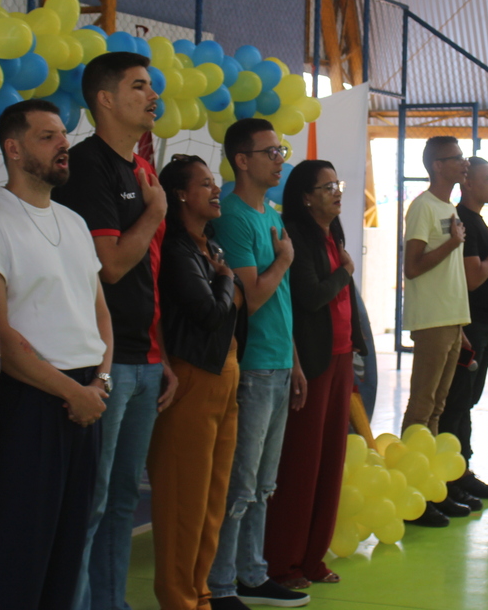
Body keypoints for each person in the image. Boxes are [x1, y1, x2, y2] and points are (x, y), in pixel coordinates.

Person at [0, 100, 114, 610]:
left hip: (87, 395)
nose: (63, 144)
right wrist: (73, 392)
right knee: (17, 549)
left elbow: (100, 313)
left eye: (63, 135)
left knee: (68, 550)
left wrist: (99, 384)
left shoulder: (73, 221)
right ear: (13, 148)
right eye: (47, 137)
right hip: (28, 399)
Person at [51, 52, 176, 610]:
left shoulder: (140, 170)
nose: (153, 96)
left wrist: (160, 352)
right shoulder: (88, 166)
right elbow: (112, 266)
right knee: (92, 501)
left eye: (152, 87)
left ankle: (110, 602)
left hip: (143, 358)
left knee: (123, 500)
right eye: (139, 86)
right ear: (105, 99)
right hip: (104, 361)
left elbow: (149, 274)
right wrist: (155, 212)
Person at [207, 118, 307, 610]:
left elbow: (281, 299)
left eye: (281, 150)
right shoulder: (232, 216)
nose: (279, 159)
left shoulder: (271, 212)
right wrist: (284, 259)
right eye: (270, 151)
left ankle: (252, 572)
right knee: (239, 484)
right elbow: (249, 297)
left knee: (264, 484)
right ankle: (221, 582)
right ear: (242, 160)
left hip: (278, 362)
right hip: (251, 366)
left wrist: (295, 363)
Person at [150, 155, 246, 610]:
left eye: (214, 182)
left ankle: (200, 593)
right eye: (205, 183)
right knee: (182, 500)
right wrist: (226, 282)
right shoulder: (176, 248)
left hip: (226, 374)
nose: (215, 190)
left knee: (212, 499)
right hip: (193, 377)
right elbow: (209, 312)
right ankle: (178, 598)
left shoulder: (211, 245)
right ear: (181, 195)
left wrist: (224, 281)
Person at [265, 160, 367, 589]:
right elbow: (309, 297)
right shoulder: (295, 234)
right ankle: (283, 562)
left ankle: (313, 558)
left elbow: (344, 301)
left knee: (330, 460)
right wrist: (345, 271)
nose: (336, 192)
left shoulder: (333, 234)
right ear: (305, 197)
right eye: (327, 187)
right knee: (302, 463)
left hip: (340, 359)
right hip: (313, 362)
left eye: (336, 184)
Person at [400, 136, 473, 525]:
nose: (464, 163)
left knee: (438, 408)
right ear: (437, 166)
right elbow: (412, 267)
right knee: (422, 406)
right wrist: (451, 244)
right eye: (456, 158)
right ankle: (410, 491)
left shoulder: (449, 207)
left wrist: (461, 323)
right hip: (431, 319)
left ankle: (428, 490)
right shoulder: (423, 207)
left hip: (451, 318)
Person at [436, 156, 488, 505]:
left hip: (486, 323)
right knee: (457, 401)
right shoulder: (463, 220)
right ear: (469, 184)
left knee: (468, 400)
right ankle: (450, 476)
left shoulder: (477, 221)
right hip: (471, 323)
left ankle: (461, 470)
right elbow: (473, 277)